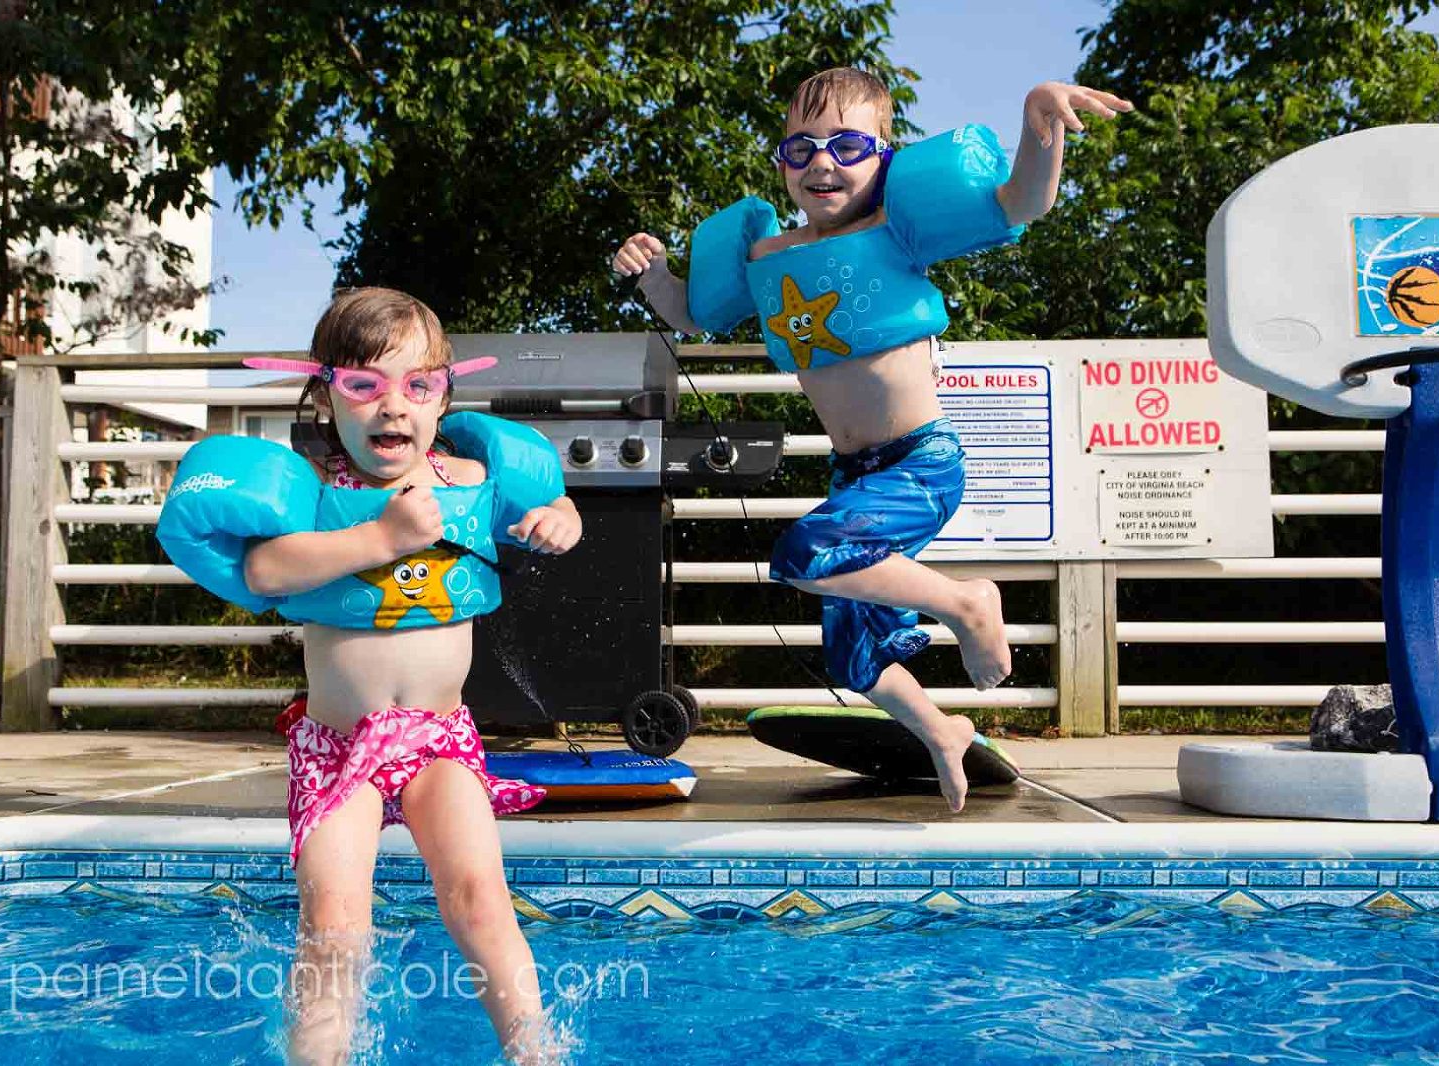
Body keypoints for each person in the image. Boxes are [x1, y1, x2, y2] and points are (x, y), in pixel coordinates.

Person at [613, 68, 1129, 811]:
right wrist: (657, 276)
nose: (823, 163)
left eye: (848, 145)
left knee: (803, 554)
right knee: (854, 656)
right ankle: (941, 730)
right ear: (783, 160)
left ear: (884, 155)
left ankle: (969, 604)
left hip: (922, 462)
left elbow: (1023, 201)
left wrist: (1038, 122)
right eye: (802, 148)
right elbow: (693, 318)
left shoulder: (899, 228)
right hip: (856, 476)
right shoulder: (764, 256)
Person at [158, 287, 581, 1063]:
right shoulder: (316, 496)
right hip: (336, 750)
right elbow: (266, 568)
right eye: (364, 385)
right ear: (326, 394)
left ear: (445, 393)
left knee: (481, 900)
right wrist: (382, 534)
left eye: (417, 385)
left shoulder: (470, 483)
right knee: (335, 925)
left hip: (438, 742)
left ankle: (536, 1052)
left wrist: (561, 520)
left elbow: (557, 503)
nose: (394, 408)